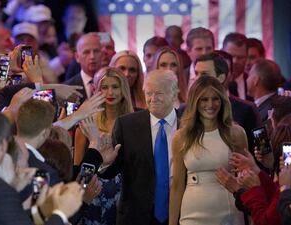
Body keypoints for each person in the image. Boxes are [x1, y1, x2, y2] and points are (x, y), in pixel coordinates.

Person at [81, 70, 179, 225]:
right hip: (136, 216)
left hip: (181, 213)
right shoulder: (127, 125)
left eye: (159, 93)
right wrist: (105, 163)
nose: (153, 99)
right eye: (149, 93)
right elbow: (112, 172)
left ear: (174, 94)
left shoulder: (189, 123)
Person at [170, 75, 247, 225]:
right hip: (192, 212)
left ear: (222, 100)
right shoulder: (181, 137)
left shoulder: (236, 133)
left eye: (215, 99)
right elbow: (177, 184)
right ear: (195, 102)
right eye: (204, 99)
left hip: (229, 210)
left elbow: (246, 179)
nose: (210, 104)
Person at [74, 67, 133, 225]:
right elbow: (78, 168)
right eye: (104, 87)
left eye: (115, 87)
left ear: (123, 89)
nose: (110, 93)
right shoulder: (86, 123)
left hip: (124, 195)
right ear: (96, 90)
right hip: (91, 194)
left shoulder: (133, 123)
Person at [64, 33, 102, 103]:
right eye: (86, 52)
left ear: (102, 54)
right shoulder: (67, 88)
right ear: (77, 57)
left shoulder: (112, 84)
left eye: (96, 51)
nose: (92, 56)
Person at [222, 32, 251, 101]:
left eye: (240, 57)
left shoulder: (254, 84)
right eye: (231, 56)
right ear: (222, 53)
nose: (235, 61)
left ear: (247, 57)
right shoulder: (212, 83)